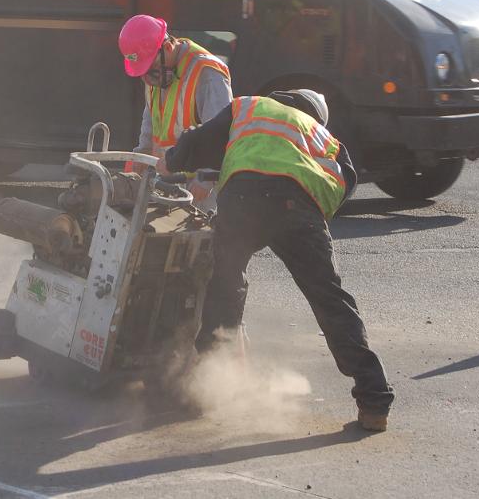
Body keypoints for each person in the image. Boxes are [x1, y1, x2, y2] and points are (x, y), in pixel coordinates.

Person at [158, 89, 395, 432]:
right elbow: (346, 180)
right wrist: (311, 216)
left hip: (244, 201)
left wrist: (172, 159)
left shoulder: (250, 106)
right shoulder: (322, 135)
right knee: (329, 298)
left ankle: (207, 387)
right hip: (298, 208)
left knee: (226, 285)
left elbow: (200, 140)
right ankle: (374, 401)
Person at [118, 15, 232, 169]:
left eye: (150, 68)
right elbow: (151, 120)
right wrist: (141, 155)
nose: (147, 79)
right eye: (142, 71)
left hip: (196, 181)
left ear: (167, 47)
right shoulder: (156, 72)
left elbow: (219, 135)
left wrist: (206, 180)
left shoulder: (206, 73)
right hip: (167, 179)